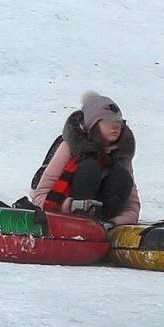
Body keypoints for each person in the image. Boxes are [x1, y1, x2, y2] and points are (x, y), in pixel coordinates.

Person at [31, 91, 140, 226]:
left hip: (105, 221)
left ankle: (98, 225)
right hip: (67, 214)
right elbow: (40, 197)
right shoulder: (70, 148)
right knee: (90, 167)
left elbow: (132, 207)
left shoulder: (120, 154)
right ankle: (80, 220)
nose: (115, 126)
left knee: (121, 176)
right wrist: (71, 205)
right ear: (93, 123)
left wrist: (113, 223)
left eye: (119, 122)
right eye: (107, 121)